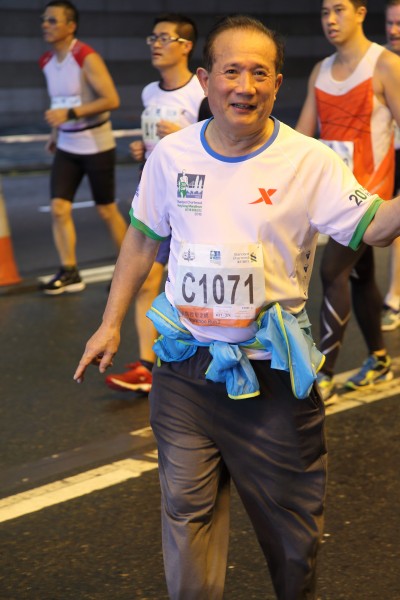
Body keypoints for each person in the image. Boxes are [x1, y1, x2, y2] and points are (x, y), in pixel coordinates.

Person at [74, 14, 400, 599]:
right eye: (230, 72)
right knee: (186, 510)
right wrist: (110, 323)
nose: (244, 86)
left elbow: (374, 227)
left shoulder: (308, 161)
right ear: (205, 79)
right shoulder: (172, 156)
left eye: (259, 73)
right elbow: (143, 239)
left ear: (277, 84)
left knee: (292, 533)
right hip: (186, 370)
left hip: (273, 375)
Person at [296, 0, 400, 401]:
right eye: (324, 12)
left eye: (339, 10)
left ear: (360, 13)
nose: (330, 19)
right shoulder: (320, 71)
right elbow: (302, 139)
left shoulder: (385, 65)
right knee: (361, 276)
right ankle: (379, 359)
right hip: (332, 196)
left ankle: (324, 374)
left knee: (332, 271)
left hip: (370, 198)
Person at [105, 13, 210, 393]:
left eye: (164, 38)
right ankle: (147, 366)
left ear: (186, 46)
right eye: (152, 38)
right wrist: (143, 149)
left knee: (185, 278)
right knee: (148, 279)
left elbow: (214, 143)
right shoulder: (150, 92)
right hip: (153, 189)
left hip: (190, 194)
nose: (155, 44)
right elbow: (156, 145)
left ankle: (198, 359)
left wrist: (184, 135)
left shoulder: (200, 92)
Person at [39, 0, 127, 295]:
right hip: (67, 144)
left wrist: (70, 114)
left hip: (96, 144)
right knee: (58, 208)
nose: (45, 25)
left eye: (52, 20)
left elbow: (111, 99)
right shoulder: (47, 61)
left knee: (106, 210)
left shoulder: (86, 57)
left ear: (71, 26)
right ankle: (69, 271)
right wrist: (55, 132)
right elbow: (60, 101)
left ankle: (126, 270)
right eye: (44, 20)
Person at [382, 0, 400, 331]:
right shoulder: (379, 62)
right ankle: (395, 297)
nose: (394, 30)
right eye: (389, 23)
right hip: (388, 153)